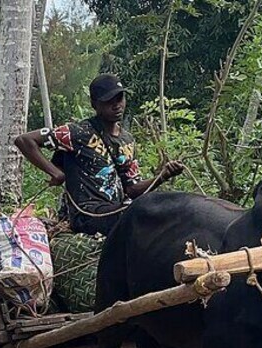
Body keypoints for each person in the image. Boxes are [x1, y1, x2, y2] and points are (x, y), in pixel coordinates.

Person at [15, 73, 185, 236]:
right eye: (109, 101)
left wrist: (163, 176)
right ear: (94, 104)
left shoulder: (127, 140)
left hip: (116, 209)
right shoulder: (78, 132)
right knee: (136, 216)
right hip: (87, 214)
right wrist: (56, 173)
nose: (116, 105)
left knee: (163, 207)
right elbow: (25, 140)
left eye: (120, 99)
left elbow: (132, 189)